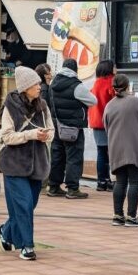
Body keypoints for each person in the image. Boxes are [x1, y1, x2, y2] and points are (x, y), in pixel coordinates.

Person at [0, 66, 55, 261]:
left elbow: (52, 130)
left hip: (37, 163)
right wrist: (31, 135)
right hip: (14, 163)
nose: (39, 86)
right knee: (24, 204)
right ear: (25, 87)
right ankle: (27, 246)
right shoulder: (10, 107)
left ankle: (5, 230)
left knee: (30, 204)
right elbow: (7, 136)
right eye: (35, 83)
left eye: (39, 83)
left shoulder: (43, 106)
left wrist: (46, 136)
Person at [103, 74, 138, 227]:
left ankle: (117, 215)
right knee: (134, 181)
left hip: (116, 147)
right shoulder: (137, 102)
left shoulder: (109, 105)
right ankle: (132, 216)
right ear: (128, 86)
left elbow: (106, 127)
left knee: (120, 181)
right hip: (135, 146)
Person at [47, 58, 96, 199]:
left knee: (57, 156)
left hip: (57, 125)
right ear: (75, 70)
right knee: (74, 157)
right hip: (73, 128)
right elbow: (93, 100)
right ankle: (72, 189)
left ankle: (54, 186)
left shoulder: (53, 83)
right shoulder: (77, 86)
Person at [89, 60, 117, 192]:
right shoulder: (111, 82)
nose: (116, 68)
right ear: (109, 69)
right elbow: (116, 101)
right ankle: (110, 180)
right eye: (114, 66)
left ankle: (101, 181)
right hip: (109, 122)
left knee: (101, 151)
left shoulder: (96, 83)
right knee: (111, 152)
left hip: (96, 121)